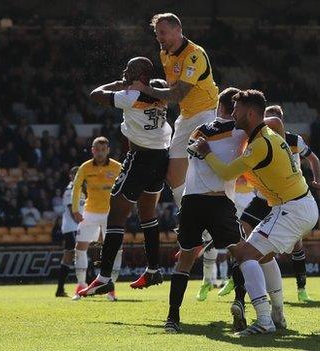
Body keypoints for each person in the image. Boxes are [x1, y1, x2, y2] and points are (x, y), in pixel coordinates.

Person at [191, 89, 319, 336]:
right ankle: (277, 315)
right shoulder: (268, 129)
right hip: (297, 205)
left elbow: (227, 173)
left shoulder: (259, 145)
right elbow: (275, 121)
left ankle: (263, 321)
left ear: (250, 113)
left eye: (236, 110)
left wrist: (207, 152)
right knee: (264, 255)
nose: (232, 114)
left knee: (246, 255)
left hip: (291, 208)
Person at [79, 57, 172, 298]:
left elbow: (95, 94)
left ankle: (104, 278)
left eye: (129, 70)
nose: (124, 72)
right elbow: (168, 90)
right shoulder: (160, 88)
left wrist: (119, 84)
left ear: (140, 75)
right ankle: (153, 269)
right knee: (148, 214)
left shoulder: (129, 96)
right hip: (161, 156)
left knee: (116, 215)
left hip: (140, 158)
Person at [162, 87, 247, 332]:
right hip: (219, 202)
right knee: (242, 254)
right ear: (234, 109)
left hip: (191, 201)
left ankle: (172, 318)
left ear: (217, 107)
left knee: (185, 260)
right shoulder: (240, 131)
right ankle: (239, 302)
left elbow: (192, 150)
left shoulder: (201, 131)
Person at [222, 105, 320, 303]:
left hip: (290, 198)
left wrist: (317, 181)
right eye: (267, 117)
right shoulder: (258, 140)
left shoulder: (293, 140)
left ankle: (300, 288)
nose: (270, 121)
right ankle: (237, 277)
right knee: (241, 234)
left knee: (292, 245)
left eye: (274, 118)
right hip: (264, 198)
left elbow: (313, 158)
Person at [131, 13, 219, 214]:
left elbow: (178, 93)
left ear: (178, 31)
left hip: (206, 116)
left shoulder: (193, 55)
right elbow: (172, 87)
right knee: (174, 176)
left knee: (207, 174)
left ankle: (216, 225)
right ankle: (191, 220)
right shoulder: (165, 53)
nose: (158, 37)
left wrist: (145, 89)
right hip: (186, 117)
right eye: (156, 33)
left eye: (162, 32)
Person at [69, 137, 122, 301]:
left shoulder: (117, 167)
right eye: (97, 150)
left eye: (103, 150)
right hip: (90, 212)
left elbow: (125, 187)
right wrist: (75, 209)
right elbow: (76, 187)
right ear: (93, 150)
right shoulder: (85, 167)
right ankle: (81, 285)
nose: (100, 153)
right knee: (80, 248)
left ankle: (110, 287)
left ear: (108, 150)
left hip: (111, 213)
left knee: (115, 250)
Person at [55, 166, 86, 297]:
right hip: (72, 227)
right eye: (74, 175)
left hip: (77, 226)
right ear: (70, 176)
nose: (76, 177)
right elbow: (73, 212)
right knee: (78, 253)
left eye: (78, 175)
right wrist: (85, 224)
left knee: (69, 256)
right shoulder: (70, 190)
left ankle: (60, 289)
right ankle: (85, 285)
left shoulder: (82, 190)